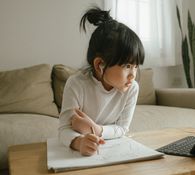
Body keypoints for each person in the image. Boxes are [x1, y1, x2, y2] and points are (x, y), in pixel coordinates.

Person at [58, 6, 145, 156]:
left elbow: (122, 129)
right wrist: (79, 142)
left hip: (114, 151)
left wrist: (95, 129)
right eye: (127, 66)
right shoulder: (76, 84)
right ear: (100, 65)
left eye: (136, 67)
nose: (133, 75)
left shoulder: (132, 88)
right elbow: (65, 129)